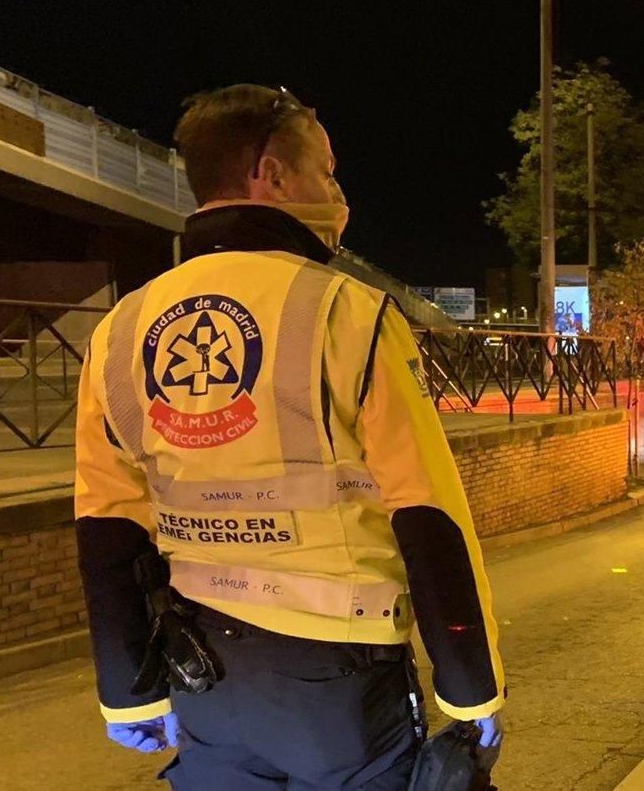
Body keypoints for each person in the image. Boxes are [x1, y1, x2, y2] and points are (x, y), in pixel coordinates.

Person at [75, 85, 504, 789]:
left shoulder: (121, 329)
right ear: (272, 175)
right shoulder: (348, 312)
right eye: (326, 172)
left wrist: (129, 690)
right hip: (340, 683)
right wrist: (471, 686)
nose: (338, 195)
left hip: (202, 674)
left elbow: (107, 526)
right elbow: (428, 513)